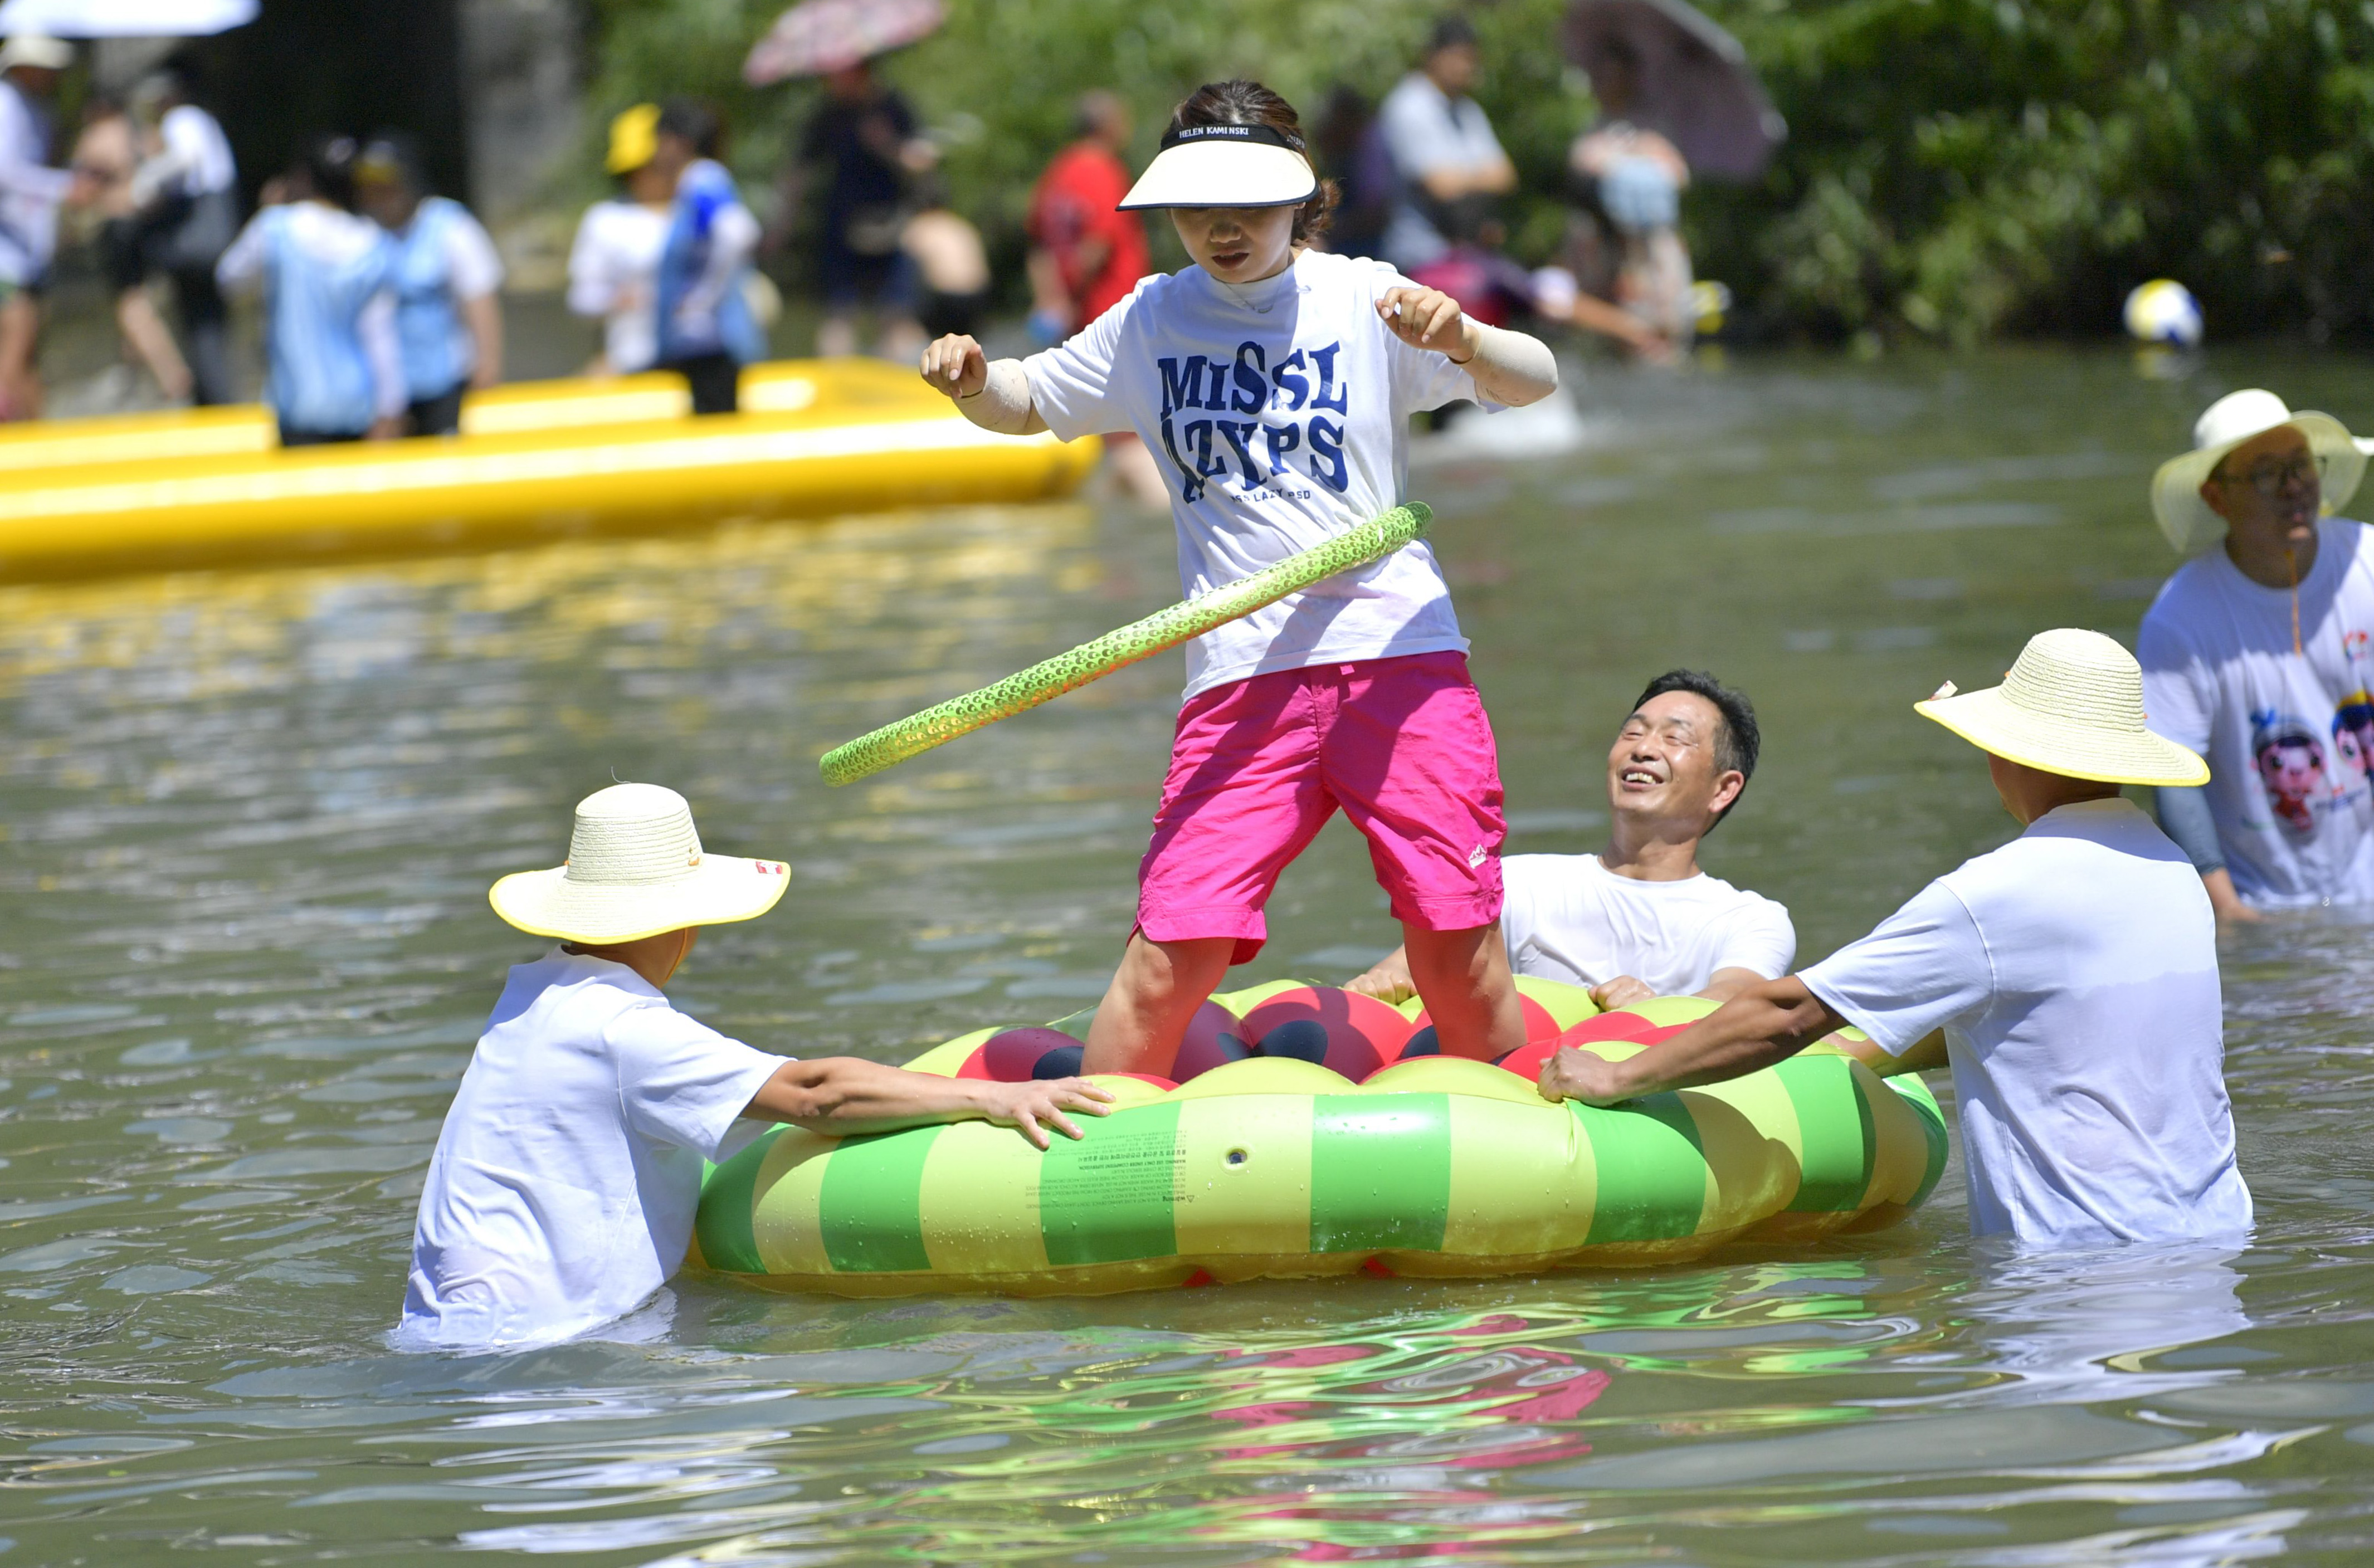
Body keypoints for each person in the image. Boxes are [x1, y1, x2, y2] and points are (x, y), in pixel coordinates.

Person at [918, 79, 1561, 1077]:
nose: (1222, 230)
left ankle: (1519, 1146)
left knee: (1455, 940)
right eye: (1197, 210)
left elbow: (1534, 379)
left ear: (1300, 201)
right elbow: (1029, 399)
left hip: (1398, 656)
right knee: (1171, 949)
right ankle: (1105, 1163)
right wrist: (970, 379)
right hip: (1240, 676)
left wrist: (1463, 339)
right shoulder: (1151, 320)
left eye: (1251, 208)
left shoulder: (1366, 296)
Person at [1542, 628, 2254, 1252]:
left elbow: (1787, 1013)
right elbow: (2051, 1019)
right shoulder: (2170, 871)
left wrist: (1616, 1076)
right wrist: (1853, 1056)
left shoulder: (2001, 891)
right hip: (2215, 1240)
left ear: (2011, 751)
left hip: (2082, 1267)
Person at [396, 783, 1109, 1349]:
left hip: (454, 1335)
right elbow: (813, 1095)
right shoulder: (622, 1028)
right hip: (539, 1352)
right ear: (685, 923)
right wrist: (990, 1098)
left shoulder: (534, 1003)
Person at [1351, 670, 1792, 1009]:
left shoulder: (1749, 920)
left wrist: (1656, 1014)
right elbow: (1408, 969)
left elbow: (1738, 999)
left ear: (1723, 789)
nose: (1643, 749)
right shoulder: (1518, 883)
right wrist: (1377, 985)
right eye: (1632, 733)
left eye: (1674, 738)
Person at [2139, 388, 2374, 917]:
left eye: (2300, 465)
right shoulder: (2180, 618)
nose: (2293, 487)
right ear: (2216, 498)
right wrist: (2228, 914)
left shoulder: (2367, 562)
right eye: (2267, 473)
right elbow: (2173, 776)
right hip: (2262, 907)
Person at [216, 136, 404, 447]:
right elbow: (381, 337)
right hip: (358, 405)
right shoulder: (374, 245)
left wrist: (269, 213)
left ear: (304, 179)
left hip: (298, 406)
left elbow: (229, 279)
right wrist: (390, 410)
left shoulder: (276, 228)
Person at [1025, 90, 1164, 507]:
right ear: (1108, 125)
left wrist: (1049, 299)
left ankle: (1110, 534)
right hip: (1112, 312)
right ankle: (1160, 531)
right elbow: (1098, 242)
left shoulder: (1057, 172)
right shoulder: (1102, 169)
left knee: (1107, 429)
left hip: (1077, 319)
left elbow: (1037, 244)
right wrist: (1070, 293)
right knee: (1130, 433)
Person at [354, 133, 504, 436]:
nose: (382, 195)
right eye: (373, 188)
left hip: (446, 381)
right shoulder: (362, 236)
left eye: (388, 184)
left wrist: (487, 365)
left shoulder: (449, 225)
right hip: (385, 392)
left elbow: (479, 297)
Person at [786, 58, 933, 360]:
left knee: (896, 315)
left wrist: (887, 143)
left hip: (891, 224)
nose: (831, 81)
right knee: (839, 315)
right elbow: (798, 171)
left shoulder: (894, 106)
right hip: (842, 225)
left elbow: (921, 162)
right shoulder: (829, 114)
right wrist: (783, 223)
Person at [1563, 40, 1695, 354]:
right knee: (1606, 336)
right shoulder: (1592, 129)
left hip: (1647, 250)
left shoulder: (1655, 129)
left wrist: (1629, 163)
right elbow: (1578, 172)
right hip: (1600, 245)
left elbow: (1678, 177)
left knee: (1660, 336)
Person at [124, 63, 238, 406]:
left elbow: (186, 160)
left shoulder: (183, 118)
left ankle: (213, 401)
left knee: (200, 320)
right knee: (207, 325)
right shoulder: (199, 119)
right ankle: (213, 396)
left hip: (196, 239)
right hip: (211, 235)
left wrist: (145, 181)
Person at [69, 93, 191, 405]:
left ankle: (172, 376)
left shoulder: (97, 137)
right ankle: (135, 377)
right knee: (143, 300)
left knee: (131, 306)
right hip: (144, 224)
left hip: (116, 224)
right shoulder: (139, 130)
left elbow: (82, 188)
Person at [1376, 16, 1515, 275]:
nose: (1465, 67)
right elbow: (1441, 188)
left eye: (1471, 59)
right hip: (1420, 260)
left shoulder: (1468, 110)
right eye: (1458, 57)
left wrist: (1459, 178)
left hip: (1470, 256)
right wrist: (1479, 176)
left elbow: (1506, 177)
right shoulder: (1408, 107)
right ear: (1432, 55)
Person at [650, 99, 763, 415]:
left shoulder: (702, 178)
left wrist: (703, 297)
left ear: (677, 142)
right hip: (704, 339)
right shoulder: (703, 180)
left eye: (659, 142)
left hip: (711, 338)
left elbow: (739, 233)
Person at [0, 35, 82, 419]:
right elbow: (7, 173)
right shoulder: (6, 104)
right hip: (6, 255)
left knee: (28, 350)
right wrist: (66, 187)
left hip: (25, 251)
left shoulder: (34, 109)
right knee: (15, 345)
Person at [567, 104, 676, 378]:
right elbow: (582, 298)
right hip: (631, 361)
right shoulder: (605, 220)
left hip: (696, 358)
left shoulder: (697, 209)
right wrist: (625, 299)